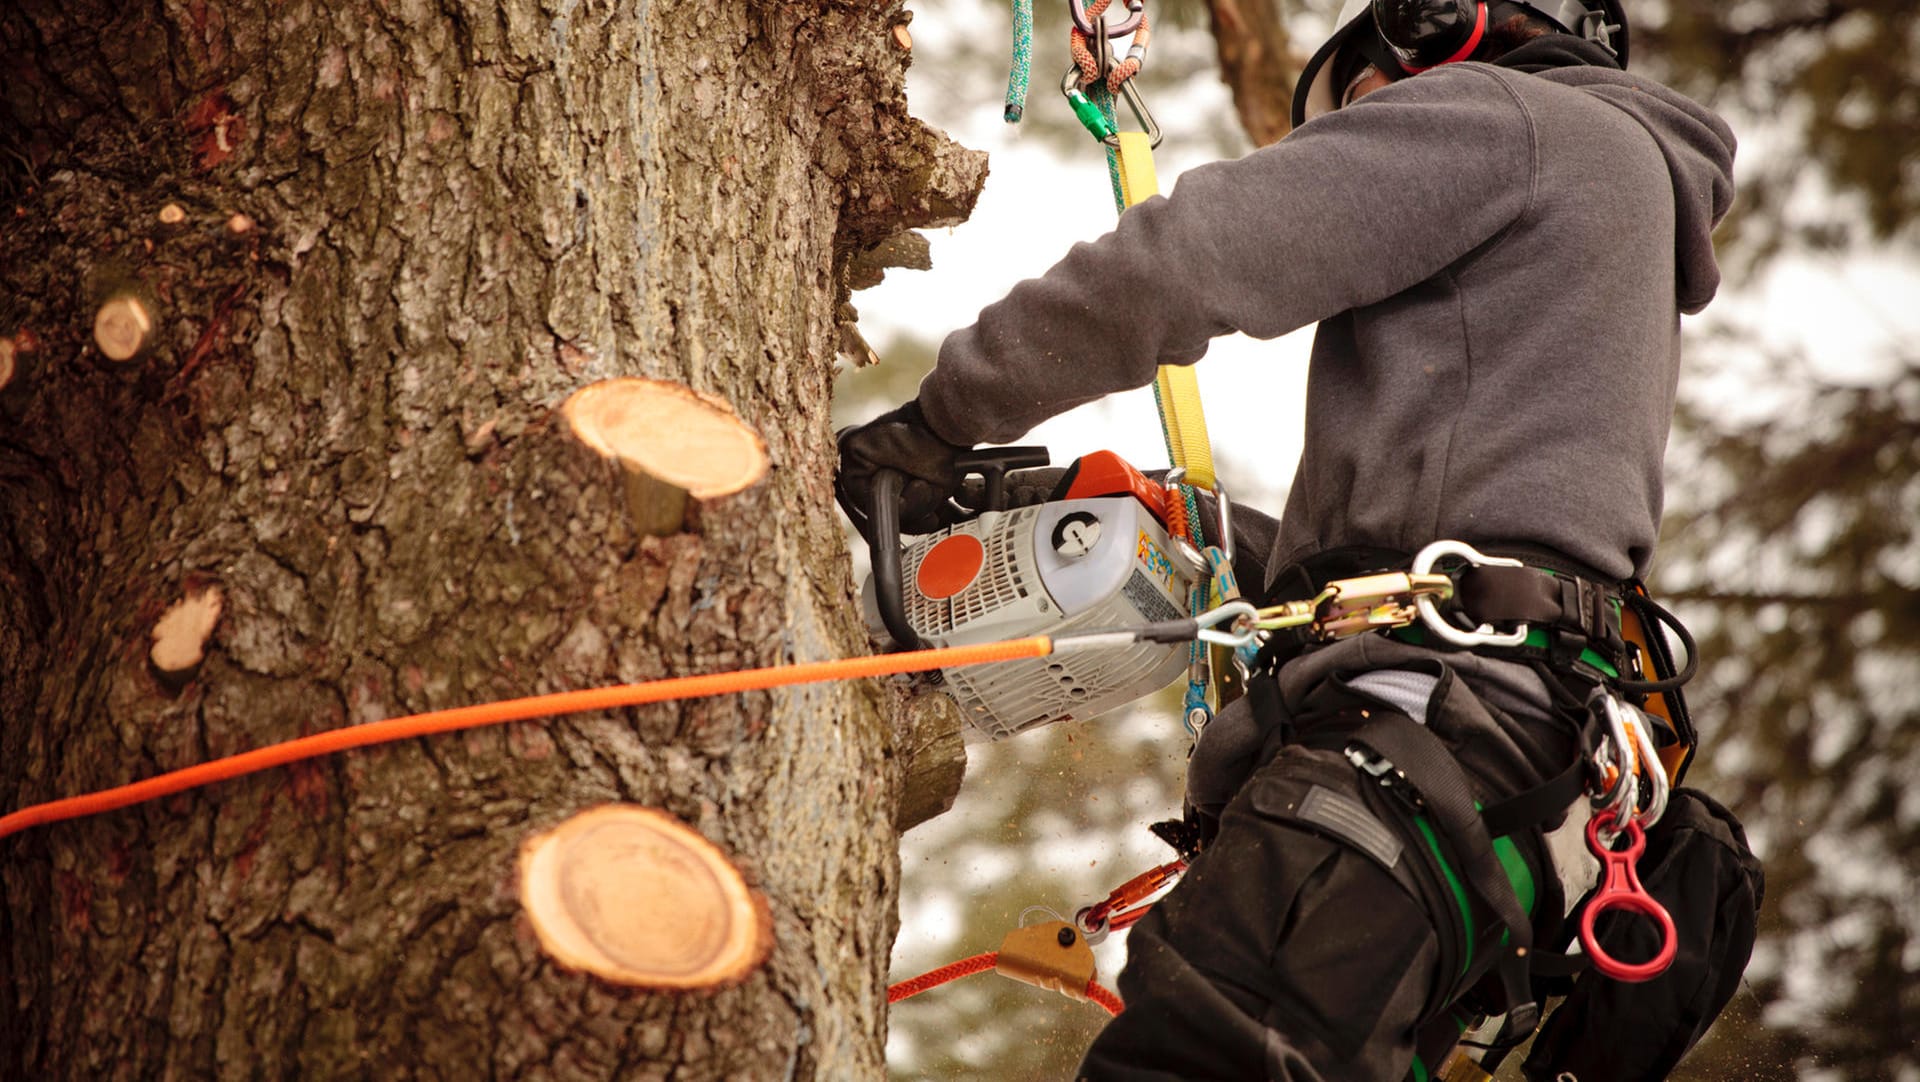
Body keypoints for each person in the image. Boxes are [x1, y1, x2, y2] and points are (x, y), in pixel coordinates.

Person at [838, 1, 1760, 1078]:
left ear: (1446, 29)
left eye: (1369, 98)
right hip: (1511, 778)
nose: (1369, 130)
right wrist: (1208, 529)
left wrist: (939, 419)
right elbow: (1480, 537)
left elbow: (1190, 258)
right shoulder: (1618, 198)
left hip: (1412, 753)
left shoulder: (1509, 117)